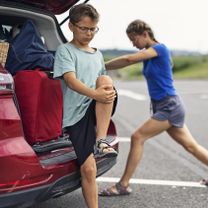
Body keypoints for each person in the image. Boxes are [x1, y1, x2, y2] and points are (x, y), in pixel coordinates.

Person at [99, 19, 208, 196]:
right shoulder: (150, 54)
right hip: (165, 105)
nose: (133, 44)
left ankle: (123, 185)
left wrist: (101, 65)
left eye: (134, 39)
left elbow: (129, 59)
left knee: (137, 137)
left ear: (145, 34)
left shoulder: (160, 49)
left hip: (169, 106)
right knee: (191, 146)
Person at [53, 4, 118, 207]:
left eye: (93, 29)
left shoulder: (97, 54)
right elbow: (71, 81)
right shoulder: (65, 51)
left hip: (96, 107)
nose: (89, 33)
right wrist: (96, 93)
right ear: (71, 26)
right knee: (89, 168)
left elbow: (101, 82)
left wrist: (106, 93)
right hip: (76, 114)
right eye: (84, 28)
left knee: (106, 80)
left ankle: (101, 141)